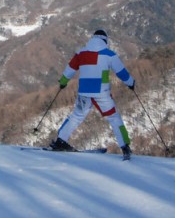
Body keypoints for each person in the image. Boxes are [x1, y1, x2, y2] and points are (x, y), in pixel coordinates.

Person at [50, 29, 136, 160]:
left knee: (77, 116)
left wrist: (63, 82)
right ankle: (125, 147)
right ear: (105, 40)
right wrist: (131, 83)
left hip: (84, 92)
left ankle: (60, 141)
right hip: (101, 93)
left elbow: (70, 69)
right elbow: (121, 72)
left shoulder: (80, 53)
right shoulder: (109, 54)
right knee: (114, 117)